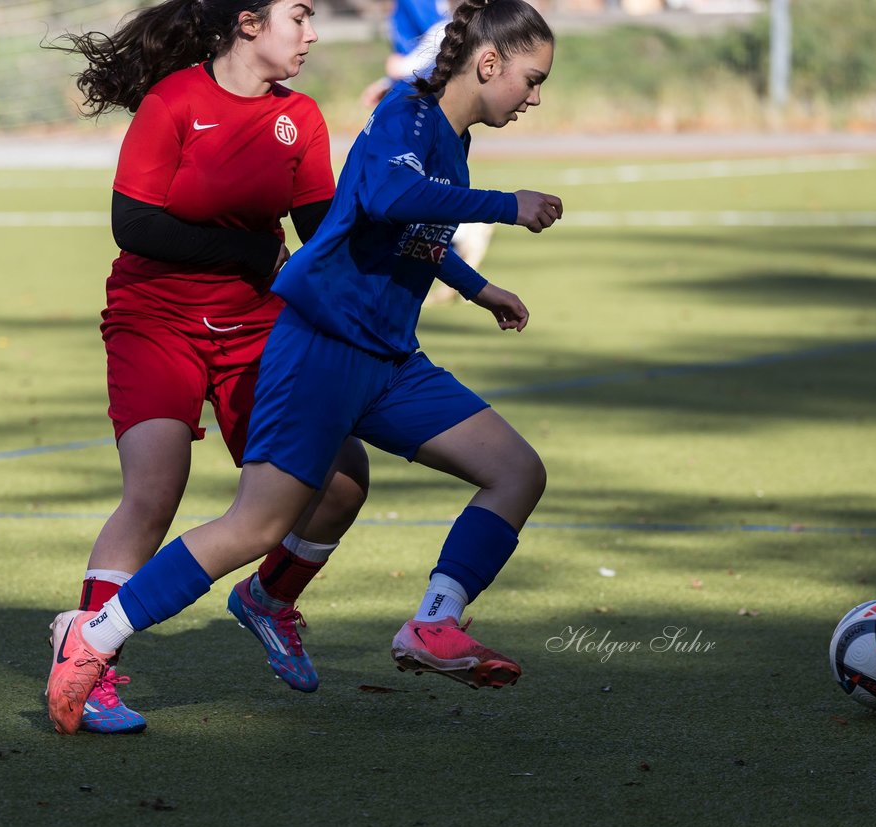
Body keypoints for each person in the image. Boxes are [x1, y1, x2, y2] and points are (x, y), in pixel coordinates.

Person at [47, 0, 563, 735]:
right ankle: (93, 640)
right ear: (488, 64)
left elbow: (394, 228)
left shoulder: (449, 139)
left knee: (515, 471)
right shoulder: (407, 114)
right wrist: (506, 206)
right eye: (532, 79)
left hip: (388, 356)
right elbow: (387, 196)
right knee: (253, 524)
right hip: (321, 346)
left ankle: (432, 623)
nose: (535, 97)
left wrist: (479, 289)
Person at [47, 0, 370, 734]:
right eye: (299, 16)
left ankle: (270, 599)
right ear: (249, 24)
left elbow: (320, 235)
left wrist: (403, 235)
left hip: (257, 328)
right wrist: (250, 252)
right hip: (154, 319)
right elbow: (134, 224)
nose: (313, 33)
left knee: (343, 478)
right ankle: (88, 659)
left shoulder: (301, 117)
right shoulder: (174, 101)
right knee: (154, 491)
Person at [362, 0, 494, 301]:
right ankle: (460, 240)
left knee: (402, 192)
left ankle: (464, 232)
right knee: (405, 194)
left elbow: (446, 34)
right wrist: (389, 80)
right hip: (410, 95)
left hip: (420, 102)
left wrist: (402, 69)